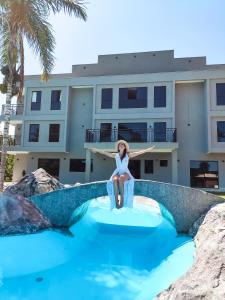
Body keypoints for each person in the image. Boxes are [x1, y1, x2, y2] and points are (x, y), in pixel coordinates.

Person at [92, 140, 155, 209]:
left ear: (125, 147)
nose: (121, 145)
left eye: (123, 145)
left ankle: (122, 200)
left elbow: (139, 153)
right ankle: (116, 201)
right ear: (118, 148)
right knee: (115, 180)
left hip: (126, 173)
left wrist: (148, 149)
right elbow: (105, 153)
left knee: (121, 178)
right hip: (117, 172)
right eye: (120, 145)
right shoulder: (115, 155)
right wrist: (96, 149)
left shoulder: (128, 155)